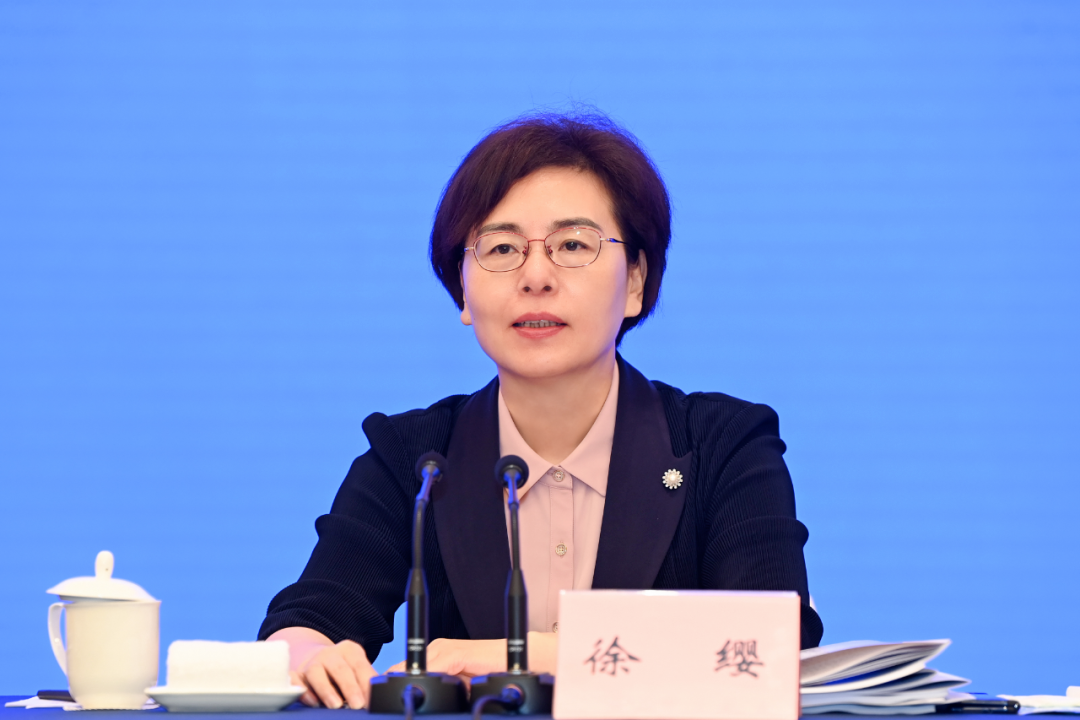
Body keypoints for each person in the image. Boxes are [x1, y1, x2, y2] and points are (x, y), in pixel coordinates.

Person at [258, 112, 823, 709]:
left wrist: (513, 657)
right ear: (463, 290)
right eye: (501, 248)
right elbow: (309, 620)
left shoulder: (722, 444)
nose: (535, 277)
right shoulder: (415, 459)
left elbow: (771, 640)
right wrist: (307, 655)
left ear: (635, 281)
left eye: (572, 245)